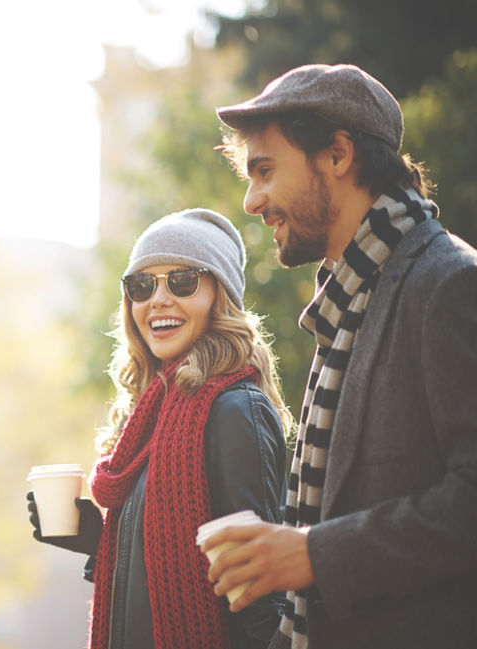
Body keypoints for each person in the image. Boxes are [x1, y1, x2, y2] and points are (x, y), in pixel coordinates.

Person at [202, 63, 477, 649]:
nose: (252, 201)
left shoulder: (449, 284)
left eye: (265, 170)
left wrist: (311, 554)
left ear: (337, 154)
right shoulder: (352, 297)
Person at [27, 208, 292, 649]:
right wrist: (102, 542)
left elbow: (260, 602)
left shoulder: (234, 411)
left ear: (219, 296)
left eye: (183, 281)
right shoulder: (150, 418)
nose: (159, 300)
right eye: (142, 285)